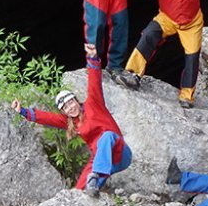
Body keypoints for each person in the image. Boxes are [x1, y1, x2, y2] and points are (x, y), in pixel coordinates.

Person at [12, 43, 132, 196]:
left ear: (76, 101)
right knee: (79, 191)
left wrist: (92, 57)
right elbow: (47, 118)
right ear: (64, 112)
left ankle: (95, 178)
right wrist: (22, 111)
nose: (70, 108)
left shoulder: (93, 104)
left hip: (120, 152)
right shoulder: (70, 121)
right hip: (102, 160)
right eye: (66, 107)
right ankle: (90, 193)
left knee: (106, 137)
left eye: (71, 103)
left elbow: (94, 83)